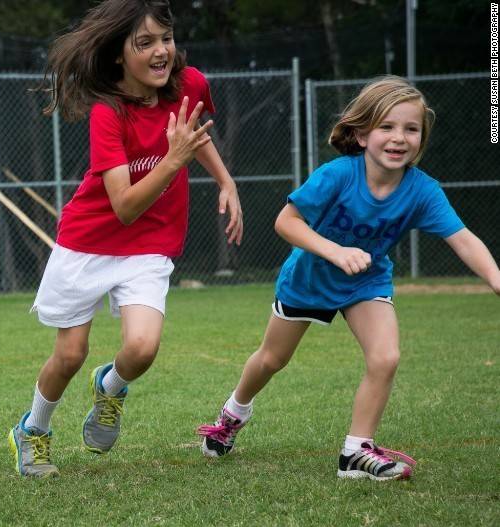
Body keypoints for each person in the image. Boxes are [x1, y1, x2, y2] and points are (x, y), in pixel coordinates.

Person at [197, 76, 500, 481]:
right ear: (360, 134)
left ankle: (356, 452)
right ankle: (233, 414)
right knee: (271, 359)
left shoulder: (423, 191)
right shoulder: (337, 174)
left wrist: (495, 277)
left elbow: (462, 239)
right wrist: (336, 251)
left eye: (411, 129)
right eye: (387, 127)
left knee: (385, 356)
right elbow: (287, 222)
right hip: (309, 279)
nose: (399, 138)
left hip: (365, 283)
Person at [8, 0, 243, 478]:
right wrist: (173, 162)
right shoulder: (107, 113)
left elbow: (193, 131)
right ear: (119, 54)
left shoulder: (190, 84)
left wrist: (225, 180)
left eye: (166, 39)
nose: (162, 52)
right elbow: (125, 205)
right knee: (69, 354)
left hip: (149, 245)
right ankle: (33, 429)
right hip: (88, 241)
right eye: (146, 43)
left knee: (142, 348)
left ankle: (110, 386)